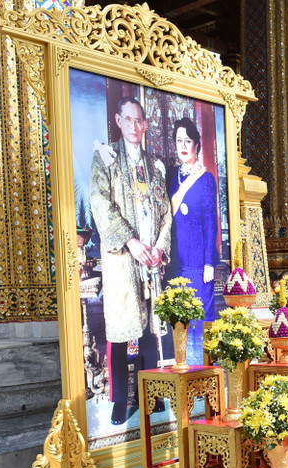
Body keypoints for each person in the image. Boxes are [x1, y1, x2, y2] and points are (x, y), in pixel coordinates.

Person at [90, 96, 171, 425]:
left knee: (153, 331)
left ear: (145, 124)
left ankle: (152, 397)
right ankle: (121, 401)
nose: (135, 126)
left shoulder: (154, 165)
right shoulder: (106, 158)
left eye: (140, 121)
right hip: (123, 258)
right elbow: (100, 203)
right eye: (129, 120)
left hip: (151, 259)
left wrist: (159, 247)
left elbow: (165, 212)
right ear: (119, 120)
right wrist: (131, 241)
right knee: (121, 331)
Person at [163, 118, 219, 366]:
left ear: (196, 143)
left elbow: (211, 222)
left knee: (200, 317)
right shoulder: (170, 176)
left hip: (198, 261)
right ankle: (182, 373)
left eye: (188, 140)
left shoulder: (206, 179)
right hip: (177, 260)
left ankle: (203, 374)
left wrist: (209, 261)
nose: (183, 145)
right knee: (178, 319)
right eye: (179, 140)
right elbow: (167, 213)